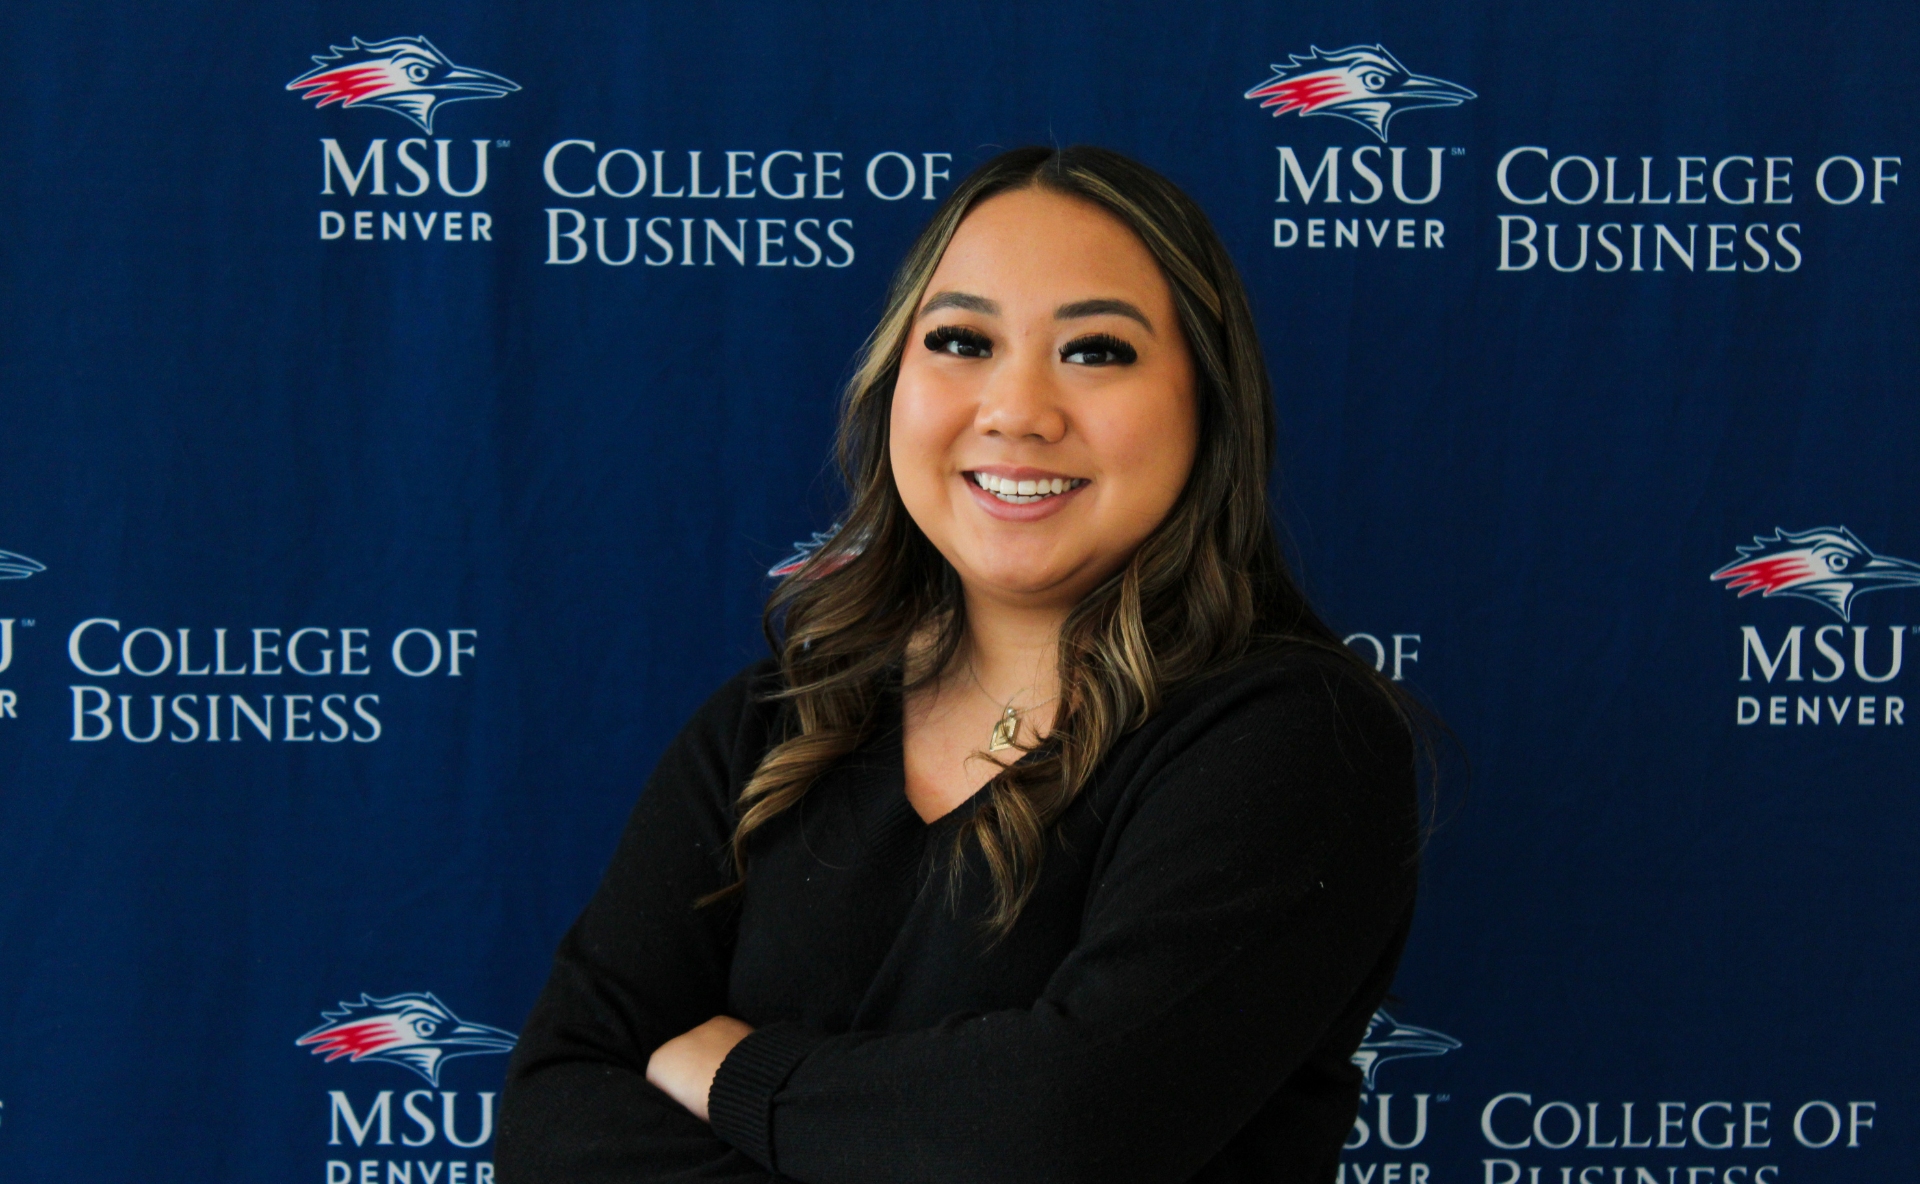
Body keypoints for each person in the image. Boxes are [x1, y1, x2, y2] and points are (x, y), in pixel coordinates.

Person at [496, 145, 1422, 1184]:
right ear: (895, 380)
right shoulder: (774, 723)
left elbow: (1057, 1132)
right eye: (961, 340)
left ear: (1208, 404)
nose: (1017, 408)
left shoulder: (1295, 739)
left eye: (1098, 350)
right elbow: (551, 1117)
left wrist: (743, 1076)